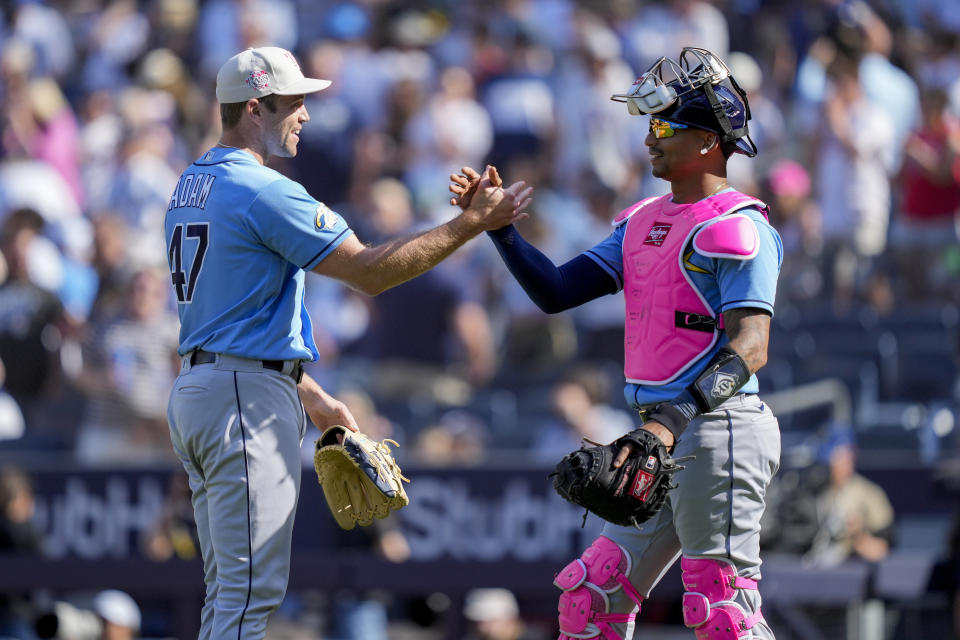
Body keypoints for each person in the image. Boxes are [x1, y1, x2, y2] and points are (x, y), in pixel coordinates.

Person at [163, 46, 530, 640]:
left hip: (207, 386)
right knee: (249, 596)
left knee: (229, 593)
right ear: (256, 107)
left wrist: (313, 398)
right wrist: (471, 224)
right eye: (295, 101)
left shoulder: (191, 184)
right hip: (242, 400)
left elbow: (230, 322)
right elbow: (370, 272)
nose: (306, 113)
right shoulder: (264, 189)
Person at [451, 47, 782, 639]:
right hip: (658, 433)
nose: (650, 139)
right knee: (591, 597)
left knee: (722, 612)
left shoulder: (739, 225)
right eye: (649, 126)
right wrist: (500, 230)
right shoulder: (641, 221)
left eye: (664, 126)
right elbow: (555, 291)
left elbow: (751, 348)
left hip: (716, 428)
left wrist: (670, 422)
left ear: (708, 140)